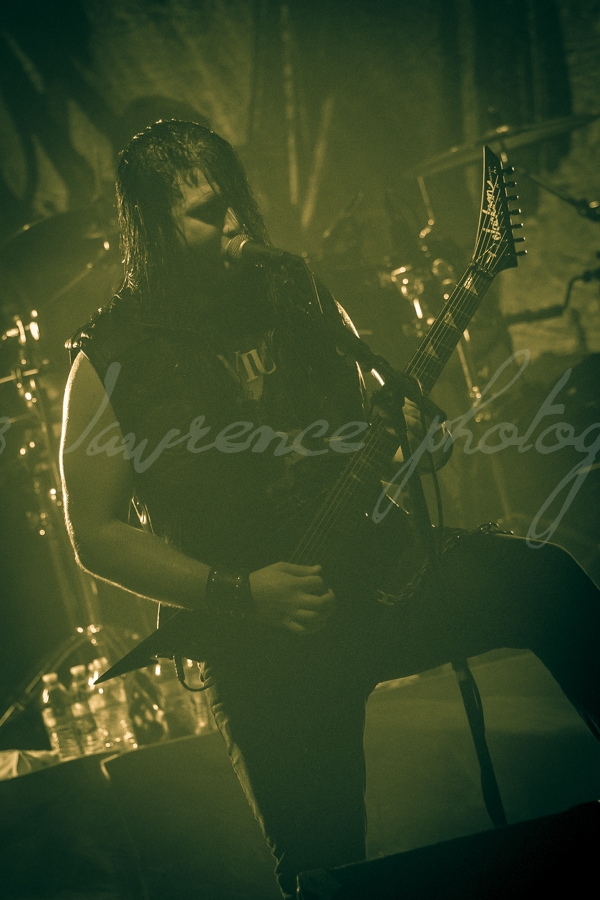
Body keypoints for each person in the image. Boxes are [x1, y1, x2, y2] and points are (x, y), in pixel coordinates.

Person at [60, 120, 600, 899]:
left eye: (234, 198)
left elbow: (374, 403)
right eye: (205, 213)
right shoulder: (108, 355)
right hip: (259, 641)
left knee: (544, 580)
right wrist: (241, 591)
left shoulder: (297, 289)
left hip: (379, 575)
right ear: (154, 227)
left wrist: (412, 433)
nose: (234, 222)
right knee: (325, 868)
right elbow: (95, 533)